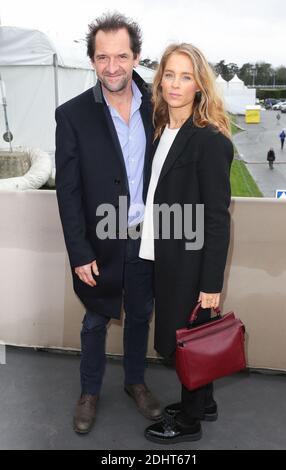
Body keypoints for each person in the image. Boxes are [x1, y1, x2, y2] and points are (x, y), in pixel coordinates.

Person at [55, 12, 162, 435]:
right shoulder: (72, 115)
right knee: (95, 320)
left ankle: (135, 381)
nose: (112, 66)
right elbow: (68, 191)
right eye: (103, 57)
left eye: (121, 56)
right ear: (92, 60)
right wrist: (79, 252)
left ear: (136, 57)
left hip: (146, 236)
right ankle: (89, 392)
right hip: (99, 239)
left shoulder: (161, 106)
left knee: (140, 314)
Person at [139, 43, 234, 444]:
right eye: (169, 74)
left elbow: (217, 218)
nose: (175, 84)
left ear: (199, 85)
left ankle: (190, 422)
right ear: (159, 79)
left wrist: (211, 284)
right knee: (194, 336)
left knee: (184, 341)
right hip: (167, 252)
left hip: (191, 260)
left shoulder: (209, 140)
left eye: (186, 76)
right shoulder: (163, 129)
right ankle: (205, 403)